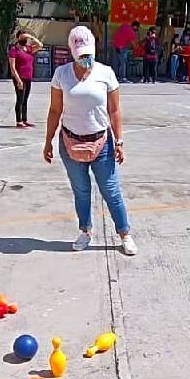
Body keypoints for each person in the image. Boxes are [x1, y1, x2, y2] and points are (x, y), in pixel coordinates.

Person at [43, 26, 137, 256]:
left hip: (101, 143)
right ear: (72, 52)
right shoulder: (61, 75)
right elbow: (55, 110)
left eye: (89, 54)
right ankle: (85, 231)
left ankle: (125, 234)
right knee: (81, 191)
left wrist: (120, 141)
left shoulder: (106, 73)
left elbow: (114, 111)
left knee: (111, 190)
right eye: (81, 55)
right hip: (70, 142)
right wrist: (48, 141)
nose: (86, 59)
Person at [8, 31, 41, 128]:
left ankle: (24, 119)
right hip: (20, 77)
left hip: (28, 77)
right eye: (23, 38)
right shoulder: (14, 50)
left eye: (25, 39)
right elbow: (12, 67)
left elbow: (40, 45)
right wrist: (18, 80)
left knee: (25, 99)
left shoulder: (29, 49)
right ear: (18, 39)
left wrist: (31, 37)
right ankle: (19, 121)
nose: (25, 40)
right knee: (20, 99)